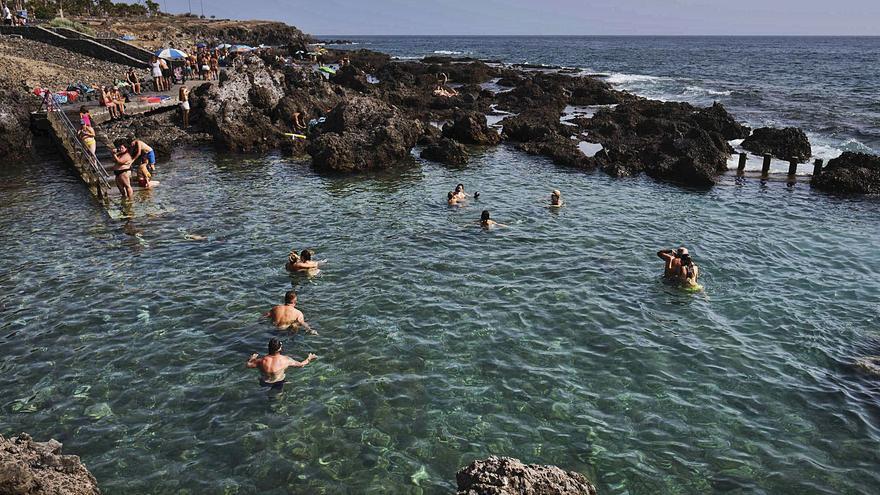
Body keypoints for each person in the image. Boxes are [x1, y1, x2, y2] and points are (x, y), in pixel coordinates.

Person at [246, 338, 317, 391]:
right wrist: (309, 358)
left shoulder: (261, 360)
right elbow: (301, 365)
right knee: (277, 401)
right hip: (278, 382)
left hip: (264, 382)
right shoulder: (285, 360)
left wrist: (252, 358)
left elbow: (248, 365)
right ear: (280, 349)